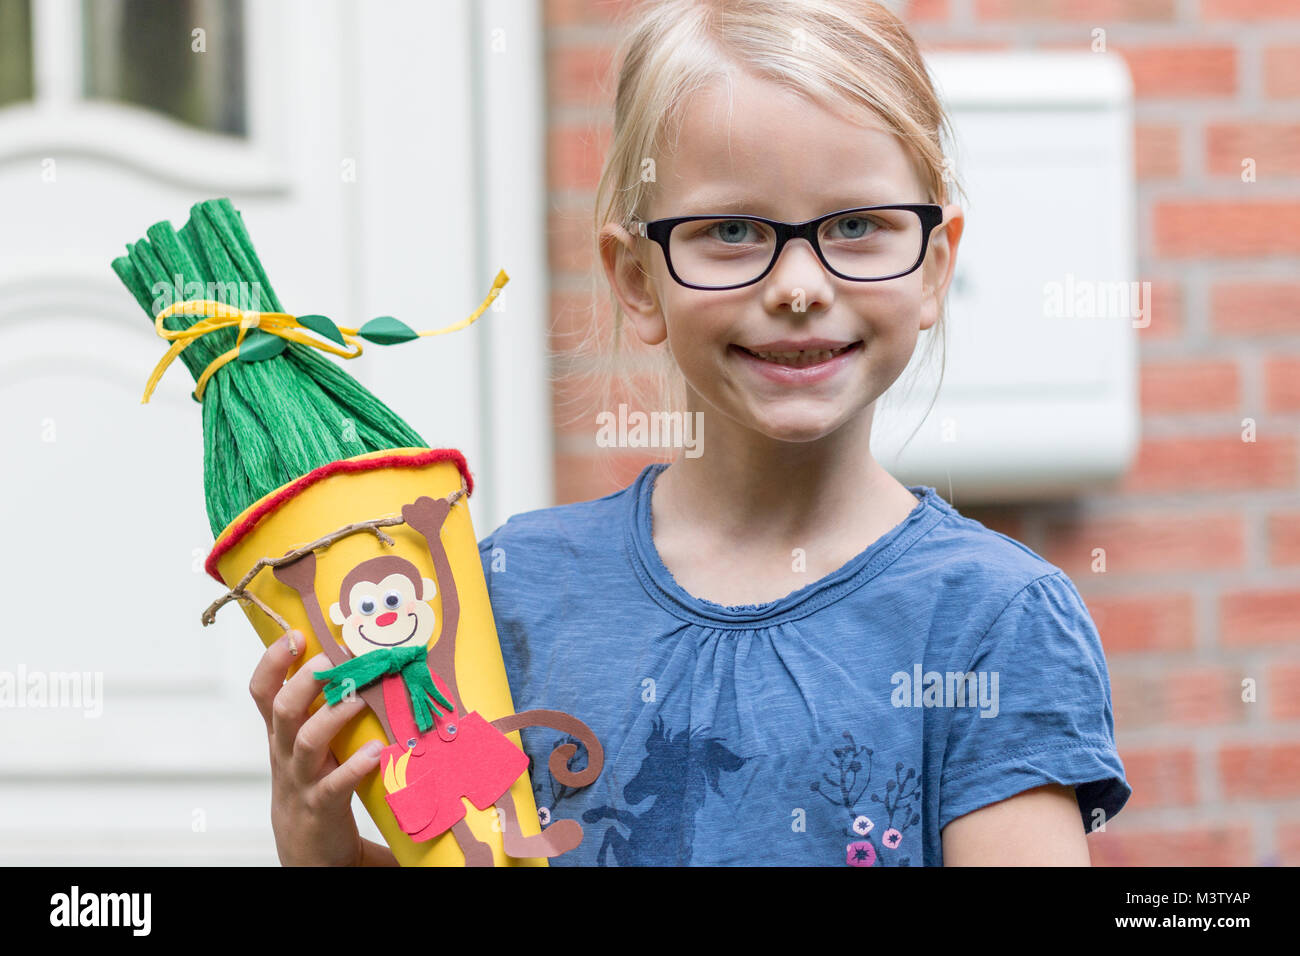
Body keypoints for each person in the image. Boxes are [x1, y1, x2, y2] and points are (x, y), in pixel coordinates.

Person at [249, 0, 1130, 867]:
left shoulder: (993, 621)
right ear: (637, 280)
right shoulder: (507, 594)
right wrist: (322, 850)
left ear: (935, 265)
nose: (797, 285)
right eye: (733, 232)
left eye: (857, 226)